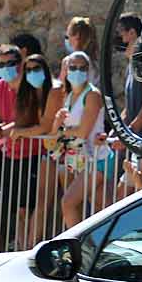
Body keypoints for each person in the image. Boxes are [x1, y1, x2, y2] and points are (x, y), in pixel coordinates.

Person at [0, 46, 60, 247]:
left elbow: (44, 126)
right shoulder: (30, 93)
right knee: (33, 205)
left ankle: (31, 248)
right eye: (29, 69)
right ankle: (25, 247)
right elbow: (21, 122)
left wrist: (21, 132)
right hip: (48, 152)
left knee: (52, 204)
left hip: (62, 150)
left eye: (37, 68)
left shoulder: (55, 90)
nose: (33, 73)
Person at [56, 50, 108, 228]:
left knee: (68, 203)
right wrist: (60, 125)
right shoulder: (69, 96)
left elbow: (83, 131)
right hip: (79, 158)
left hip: (97, 159)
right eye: (73, 67)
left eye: (82, 68)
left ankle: (77, 251)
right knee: (102, 210)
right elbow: (62, 129)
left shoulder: (92, 95)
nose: (77, 71)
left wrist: (63, 131)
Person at [64, 17, 101, 85]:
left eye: (68, 36)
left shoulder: (70, 61)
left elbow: (62, 87)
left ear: (77, 37)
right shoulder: (96, 62)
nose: (67, 40)